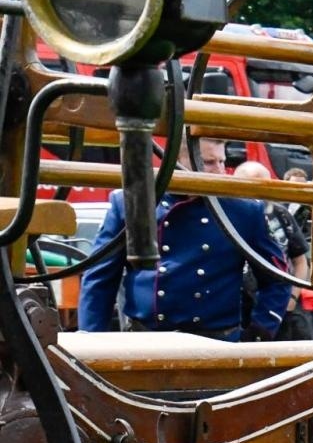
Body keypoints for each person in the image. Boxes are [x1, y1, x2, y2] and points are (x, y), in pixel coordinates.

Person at [79, 137, 290, 340]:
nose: (218, 170)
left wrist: (258, 333)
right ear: (175, 161)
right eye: (208, 162)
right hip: (144, 343)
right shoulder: (132, 202)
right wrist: (91, 340)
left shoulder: (244, 210)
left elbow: (277, 278)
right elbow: (100, 278)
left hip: (218, 346)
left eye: (222, 161)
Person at [233, 160, 313, 340]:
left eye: (267, 185)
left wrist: (292, 298)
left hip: (280, 307)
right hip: (240, 310)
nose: (263, 192)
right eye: (256, 185)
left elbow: (300, 260)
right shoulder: (227, 214)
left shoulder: (280, 214)